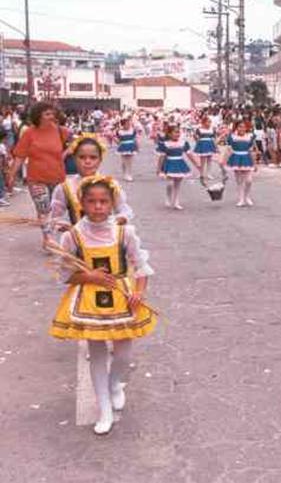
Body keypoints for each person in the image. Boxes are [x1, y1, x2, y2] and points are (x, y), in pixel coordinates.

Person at [50, 175, 157, 435]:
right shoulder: (73, 236)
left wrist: (139, 293)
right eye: (91, 201)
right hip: (89, 301)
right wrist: (90, 276)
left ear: (112, 204)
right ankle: (104, 408)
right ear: (82, 204)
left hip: (122, 298)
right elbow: (65, 275)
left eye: (103, 201)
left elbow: (140, 265)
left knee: (123, 354)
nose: (98, 206)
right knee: (96, 353)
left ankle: (116, 383)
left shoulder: (125, 232)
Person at [6, 102, 68, 247]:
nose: (51, 116)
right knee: (43, 207)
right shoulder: (29, 133)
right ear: (38, 116)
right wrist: (11, 175)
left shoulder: (61, 131)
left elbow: (68, 151)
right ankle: (47, 238)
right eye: (47, 114)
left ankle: (48, 232)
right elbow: (20, 156)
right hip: (36, 179)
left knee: (53, 210)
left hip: (58, 178)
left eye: (52, 113)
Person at [50, 135, 133, 230]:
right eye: (82, 157)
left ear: (100, 160)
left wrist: (118, 220)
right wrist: (64, 226)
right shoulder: (65, 187)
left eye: (93, 158)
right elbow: (55, 217)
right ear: (74, 158)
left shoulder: (110, 184)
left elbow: (124, 209)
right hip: (78, 241)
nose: (87, 161)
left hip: (108, 240)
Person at [157, 124, 194, 210]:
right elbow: (161, 157)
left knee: (177, 184)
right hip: (169, 163)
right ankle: (168, 196)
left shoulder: (183, 143)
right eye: (175, 132)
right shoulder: (165, 144)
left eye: (178, 132)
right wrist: (159, 169)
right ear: (169, 134)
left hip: (180, 163)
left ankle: (176, 201)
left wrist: (198, 164)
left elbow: (189, 154)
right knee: (170, 183)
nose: (177, 134)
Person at [225, 120, 255, 207]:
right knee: (239, 181)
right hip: (236, 158)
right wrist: (224, 161)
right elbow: (228, 150)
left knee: (249, 180)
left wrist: (254, 163)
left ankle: (247, 196)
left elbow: (251, 151)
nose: (242, 129)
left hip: (247, 158)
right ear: (236, 128)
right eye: (240, 127)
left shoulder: (249, 137)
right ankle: (241, 199)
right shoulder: (232, 137)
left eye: (244, 127)